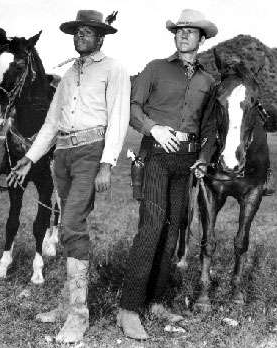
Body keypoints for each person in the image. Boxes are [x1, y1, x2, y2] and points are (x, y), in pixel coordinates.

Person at [8, 10, 130, 343]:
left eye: (88, 33)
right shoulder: (67, 75)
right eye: (77, 33)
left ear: (101, 38)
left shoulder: (113, 68)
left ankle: (78, 316)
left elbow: (119, 116)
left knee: (73, 224)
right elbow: (51, 123)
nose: (81, 37)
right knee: (64, 226)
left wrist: (107, 163)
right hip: (62, 154)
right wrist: (29, 159)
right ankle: (66, 303)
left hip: (91, 152)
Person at [117, 9, 218, 339]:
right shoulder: (155, 68)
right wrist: (153, 128)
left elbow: (210, 127)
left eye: (191, 31)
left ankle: (155, 301)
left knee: (172, 233)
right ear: (174, 36)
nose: (184, 34)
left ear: (202, 39)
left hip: (186, 163)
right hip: (157, 156)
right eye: (180, 30)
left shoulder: (207, 81)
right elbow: (132, 108)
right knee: (150, 229)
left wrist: (203, 157)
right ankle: (129, 309)